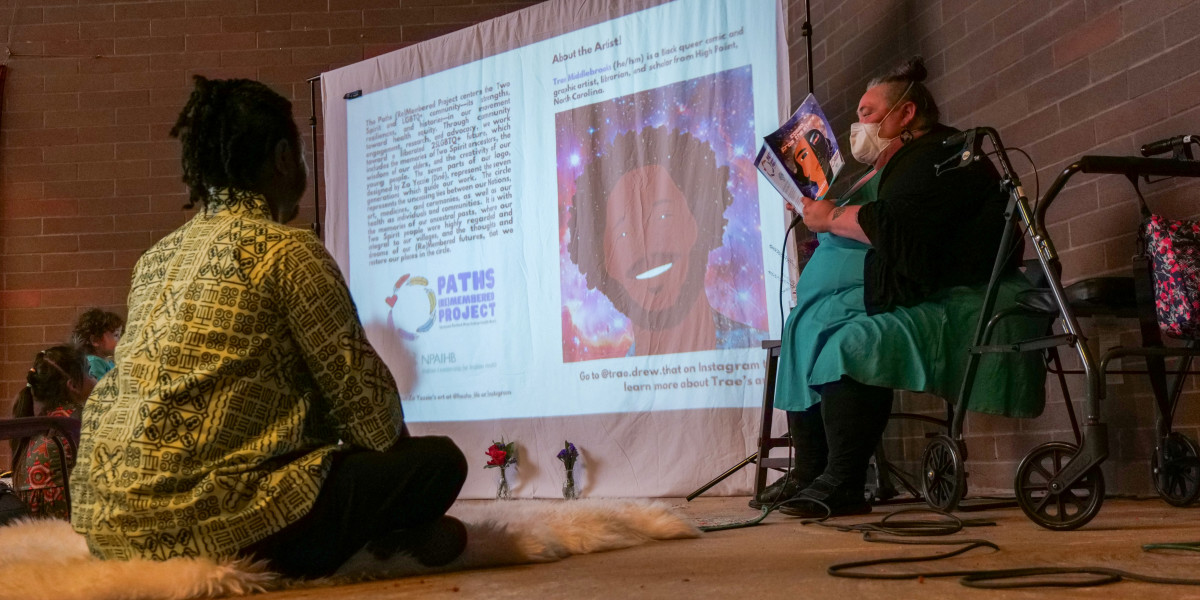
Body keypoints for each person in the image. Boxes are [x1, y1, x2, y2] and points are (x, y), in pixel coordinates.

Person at [69, 76, 468, 578]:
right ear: (283, 157)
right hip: (213, 525)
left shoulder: (153, 260)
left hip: (111, 528)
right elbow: (373, 420)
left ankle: (387, 536)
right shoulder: (289, 252)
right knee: (436, 464)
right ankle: (385, 537)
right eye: (301, 151)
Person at [756, 57, 1046, 516]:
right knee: (802, 329)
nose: (858, 125)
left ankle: (844, 480)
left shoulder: (938, 155)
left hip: (948, 290)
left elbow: (901, 230)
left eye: (869, 113)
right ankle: (811, 469)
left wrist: (831, 217)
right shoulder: (897, 162)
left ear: (906, 114)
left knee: (846, 342)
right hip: (897, 285)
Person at [567, 126, 765, 356]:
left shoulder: (761, 355)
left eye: (662, 217)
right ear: (606, 263)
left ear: (698, 226)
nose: (646, 245)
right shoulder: (611, 385)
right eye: (623, 233)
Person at [10, 345, 96, 520]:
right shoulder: (76, 419)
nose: (95, 378)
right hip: (66, 528)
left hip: (39, 531)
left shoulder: (46, 421)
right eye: (89, 372)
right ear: (72, 385)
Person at [71, 308, 124, 380]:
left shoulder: (106, 361)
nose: (121, 339)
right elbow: (101, 389)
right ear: (95, 340)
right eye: (116, 335)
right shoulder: (93, 363)